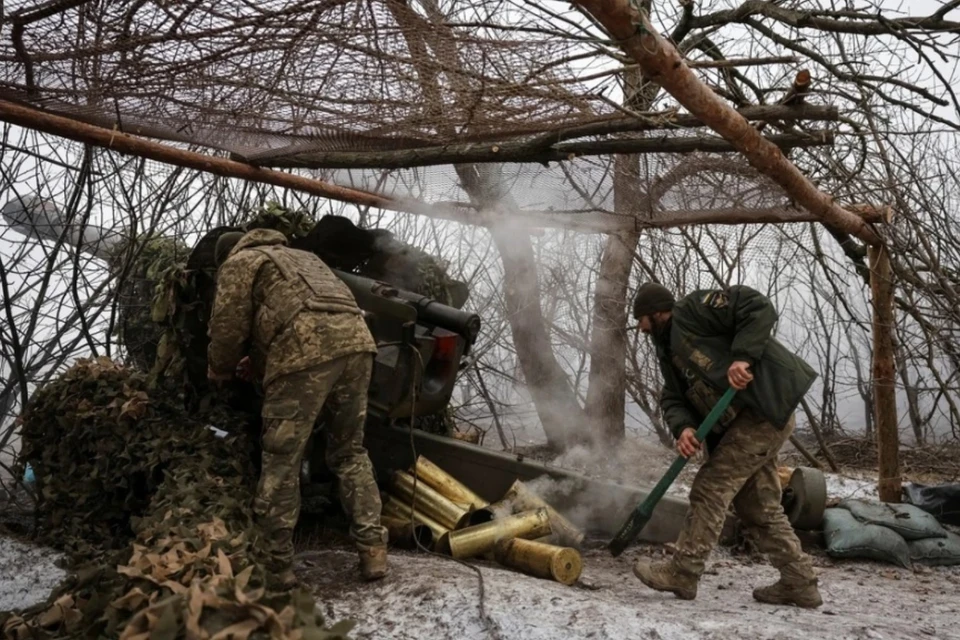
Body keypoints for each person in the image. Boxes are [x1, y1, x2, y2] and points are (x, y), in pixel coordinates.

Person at [206, 229, 388, 587]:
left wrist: (220, 369)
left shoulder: (240, 262)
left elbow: (228, 327)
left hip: (304, 353)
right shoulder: (304, 258)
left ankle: (276, 565)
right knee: (350, 451)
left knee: (282, 458)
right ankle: (373, 552)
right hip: (358, 347)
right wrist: (259, 362)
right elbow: (298, 312)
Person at [631, 282, 822, 608]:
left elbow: (755, 305)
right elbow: (673, 397)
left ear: (656, 311)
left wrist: (742, 357)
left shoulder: (693, 309)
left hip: (762, 409)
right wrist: (685, 428)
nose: (640, 327)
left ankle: (683, 571)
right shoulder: (667, 351)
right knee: (756, 506)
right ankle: (799, 582)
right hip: (741, 424)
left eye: (642, 319)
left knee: (711, 485)